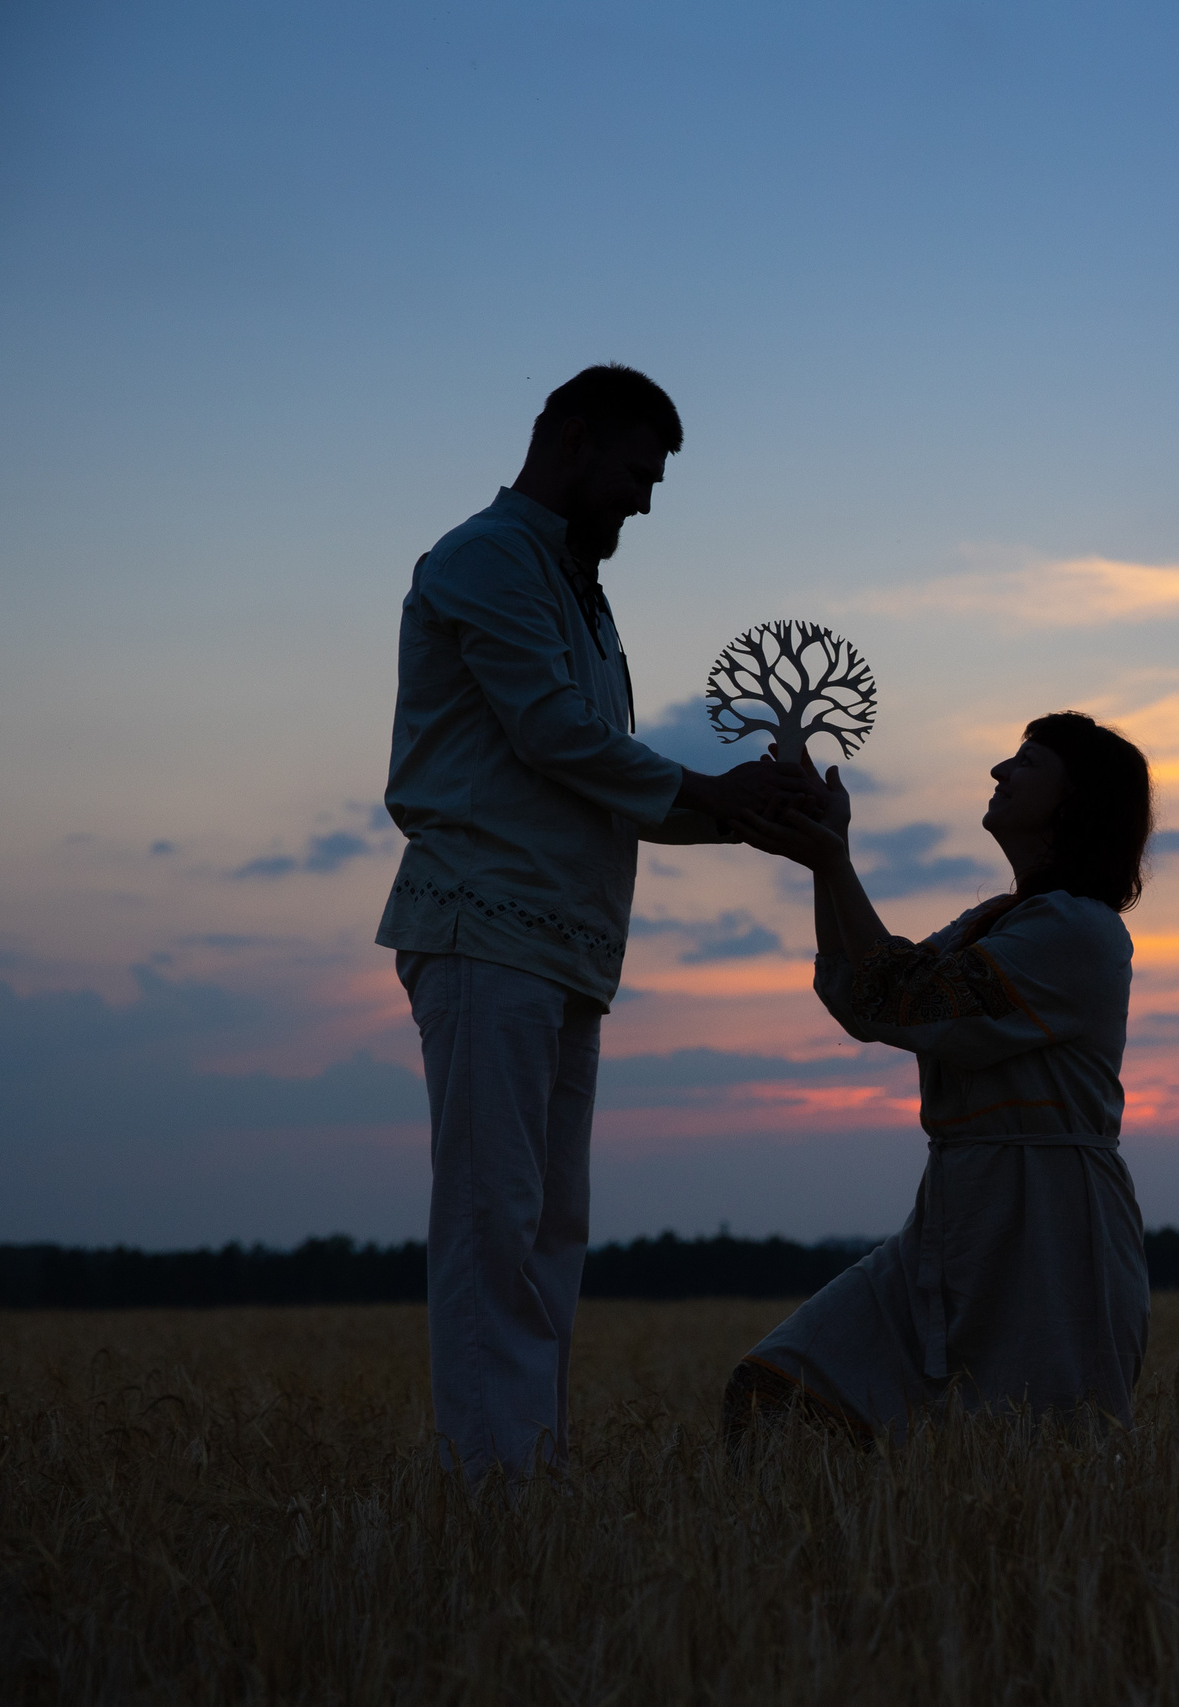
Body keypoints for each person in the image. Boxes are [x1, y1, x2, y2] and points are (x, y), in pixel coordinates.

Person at [375, 363, 811, 1480]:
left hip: (564, 947)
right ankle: (495, 1497)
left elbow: (594, 782)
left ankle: (528, 1479)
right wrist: (721, 797)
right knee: (494, 1227)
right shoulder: (484, 560)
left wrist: (754, 820)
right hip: (484, 932)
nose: (645, 501)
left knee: (546, 1231)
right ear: (570, 443)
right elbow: (555, 737)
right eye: (634, 471)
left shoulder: (578, 590)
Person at [719, 712, 1155, 1441]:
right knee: (779, 1392)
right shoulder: (997, 920)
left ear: (1076, 798)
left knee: (1040, 1465)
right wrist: (829, 857)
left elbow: (906, 997)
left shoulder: (1078, 932)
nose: (999, 772)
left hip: (1049, 1226)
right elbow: (870, 997)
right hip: (957, 1213)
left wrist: (832, 862)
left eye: (1027, 762)